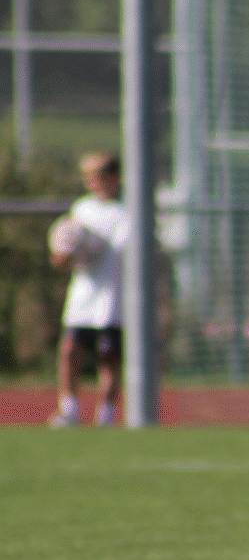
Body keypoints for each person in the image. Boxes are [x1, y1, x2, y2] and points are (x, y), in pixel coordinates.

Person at [47, 153, 127, 428]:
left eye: (100, 177)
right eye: (90, 179)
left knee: (109, 356)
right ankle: (69, 410)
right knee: (70, 350)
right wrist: (64, 255)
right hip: (84, 296)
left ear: (114, 178)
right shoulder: (82, 209)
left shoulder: (127, 210)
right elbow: (66, 252)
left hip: (115, 296)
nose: (95, 184)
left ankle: (106, 414)